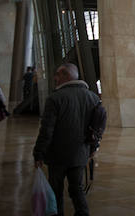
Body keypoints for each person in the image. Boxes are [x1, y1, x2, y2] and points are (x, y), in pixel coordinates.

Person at [33, 63, 100, 216]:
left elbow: (46, 130)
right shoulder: (93, 97)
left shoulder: (55, 98)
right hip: (80, 153)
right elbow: (97, 128)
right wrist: (92, 149)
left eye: (57, 74)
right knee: (77, 188)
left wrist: (39, 153)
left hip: (58, 155)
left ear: (66, 76)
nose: (55, 78)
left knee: (56, 190)